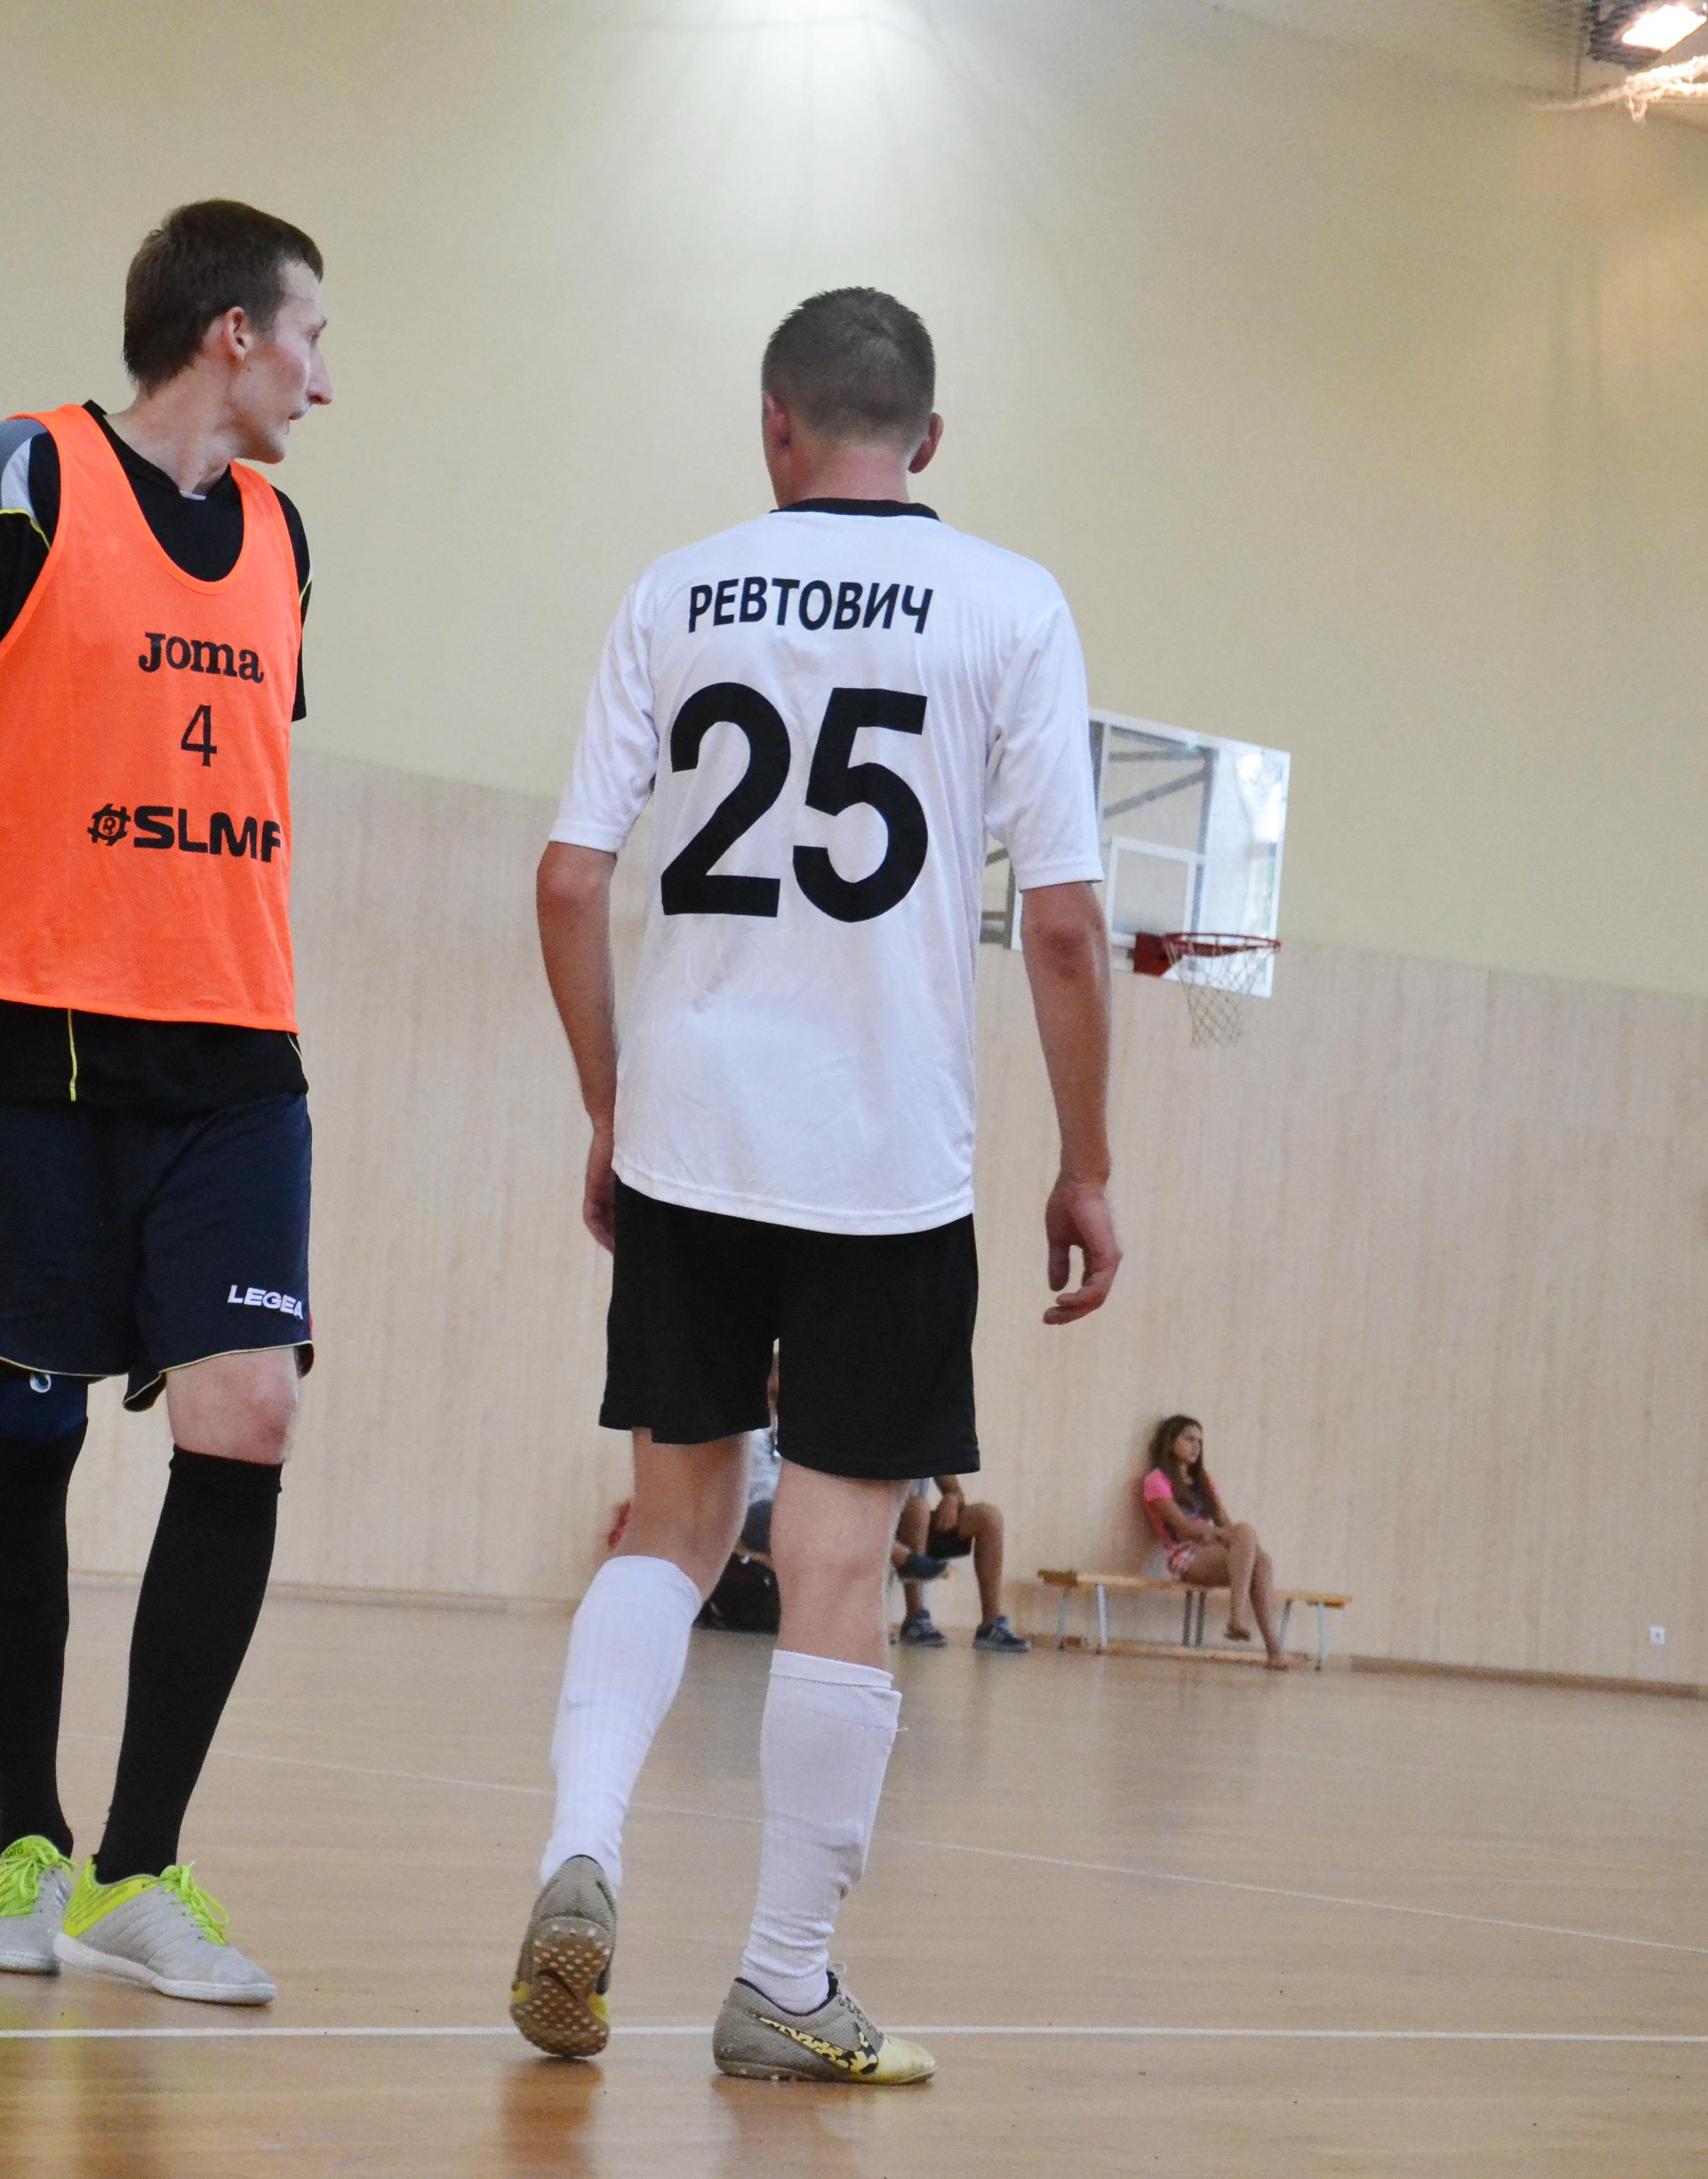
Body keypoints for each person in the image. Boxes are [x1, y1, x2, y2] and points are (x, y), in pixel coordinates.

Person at [509, 288, 1118, 2085]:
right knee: (838, 1556)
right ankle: (783, 1978)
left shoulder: (676, 589)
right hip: (883, 1159)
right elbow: (1065, 926)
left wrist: (611, 1103)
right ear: (925, 438)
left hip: (693, 1135)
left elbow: (568, 879)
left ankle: (583, 1848)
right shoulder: (1012, 604)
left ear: (774, 425)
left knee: (671, 1528)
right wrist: (1087, 1164)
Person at [0, 200, 332, 2007]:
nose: (323, 382)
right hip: (21, 1041)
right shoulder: (26, 474)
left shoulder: (282, 540)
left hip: (231, 1052)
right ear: (229, 332)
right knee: (22, 1434)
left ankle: (139, 1860)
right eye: (310, 338)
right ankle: (26, 1832)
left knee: (249, 1411)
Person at [1141, 1414, 1292, 1670]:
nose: (1196, 1447)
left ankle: (1273, 1651)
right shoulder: (1156, 1480)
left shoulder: (1203, 1480)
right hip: (1185, 1554)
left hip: (1211, 1549)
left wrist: (1232, 1539)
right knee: (1246, 1538)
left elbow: (1225, 1523)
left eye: (1200, 1442)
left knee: (1260, 1558)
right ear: (1170, 1442)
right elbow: (1184, 1529)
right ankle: (1237, 1618)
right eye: (1189, 1439)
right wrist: (1221, 1535)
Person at [895, 1475, 1024, 1653]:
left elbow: (954, 1490)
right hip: (884, 1525)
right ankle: (915, 1617)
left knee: (988, 1516)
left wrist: (952, 1499)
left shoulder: (933, 1455)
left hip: (919, 1526)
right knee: (917, 1508)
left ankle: (991, 1624)